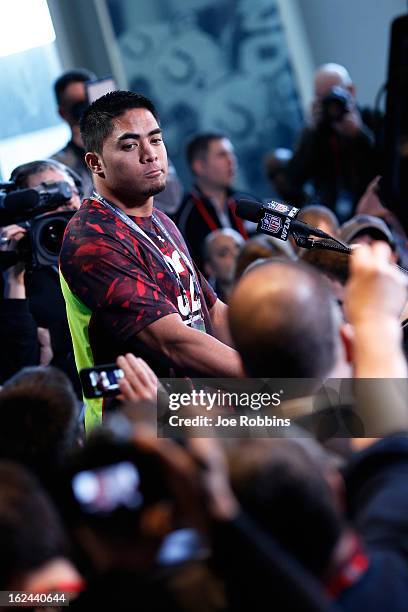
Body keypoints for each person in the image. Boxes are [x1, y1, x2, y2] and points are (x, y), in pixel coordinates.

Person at [59, 91, 243, 430]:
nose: (150, 155)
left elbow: (211, 310)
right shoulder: (91, 237)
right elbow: (171, 341)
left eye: (155, 140)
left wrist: (279, 344)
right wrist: (263, 374)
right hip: (140, 429)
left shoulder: (162, 221)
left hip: (195, 409)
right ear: (95, 163)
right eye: (129, 146)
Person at [0, 159, 82, 392]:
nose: (63, 203)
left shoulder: (108, 246)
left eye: (68, 192)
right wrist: (13, 277)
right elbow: (19, 370)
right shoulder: (14, 273)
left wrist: (56, 338)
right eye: (46, 197)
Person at [287, 63, 378, 219]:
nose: (330, 105)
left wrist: (359, 134)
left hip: (373, 206)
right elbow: (293, 178)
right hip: (330, 211)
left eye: (332, 94)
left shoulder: (372, 119)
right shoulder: (317, 131)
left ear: (350, 91)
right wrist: (310, 131)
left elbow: (388, 167)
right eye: (321, 97)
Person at [176, 133, 249, 270]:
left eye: (231, 154)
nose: (232, 161)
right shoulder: (183, 216)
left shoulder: (248, 202)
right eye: (222, 155)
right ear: (199, 166)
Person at [52, 68, 97, 198]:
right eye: (77, 106)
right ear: (63, 113)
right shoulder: (58, 167)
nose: (86, 112)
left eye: (89, 102)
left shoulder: (129, 144)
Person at [203, 229, 244, 303]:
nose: (236, 254)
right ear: (210, 268)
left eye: (239, 248)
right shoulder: (206, 308)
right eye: (224, 253)